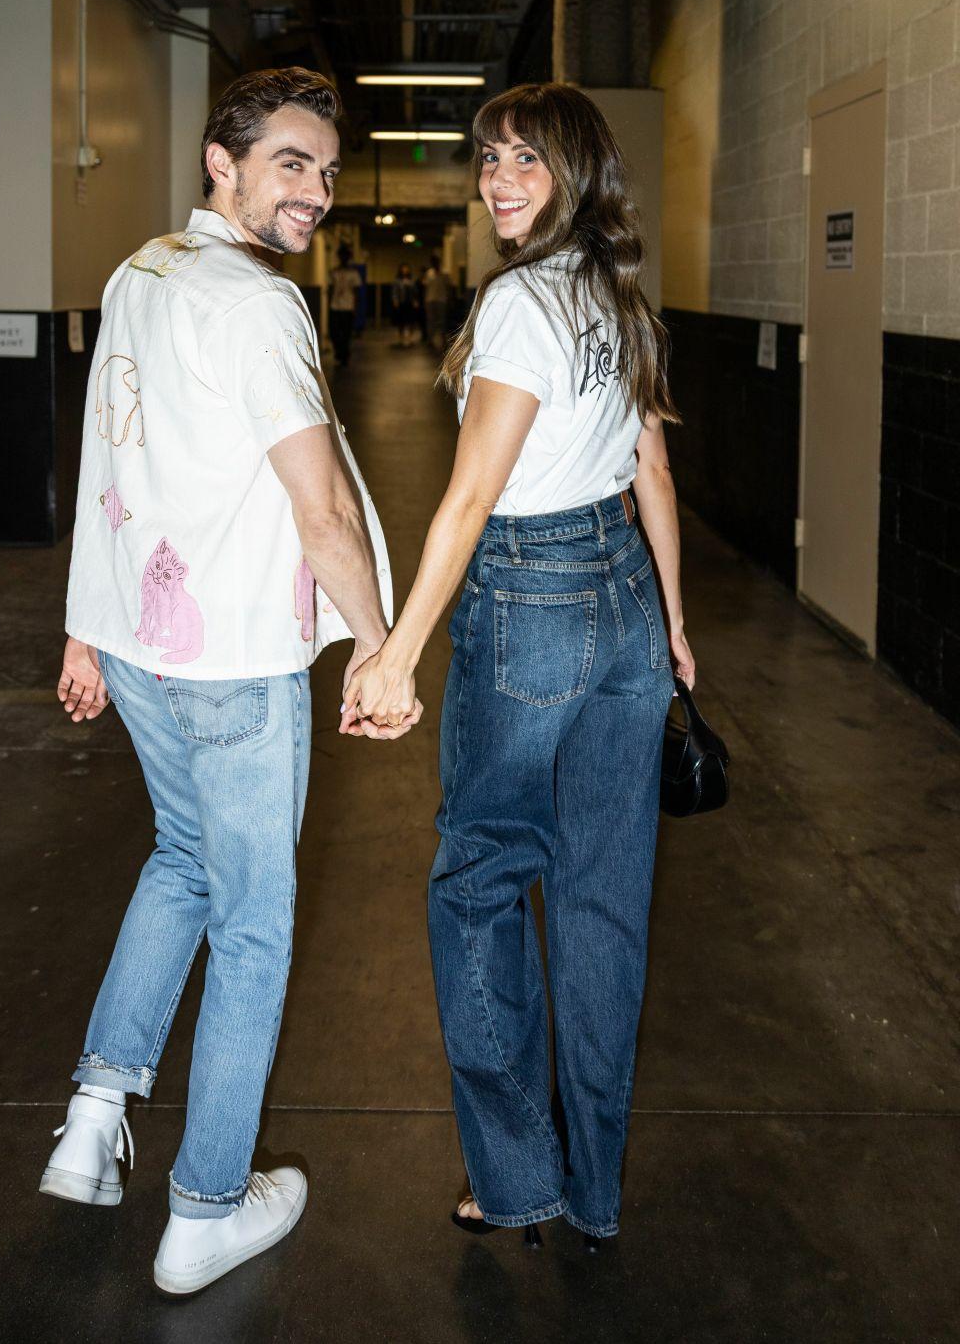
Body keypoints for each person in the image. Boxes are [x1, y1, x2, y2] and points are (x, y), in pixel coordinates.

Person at [43, 67, 417, 1297]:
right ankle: (206, 1203)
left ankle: (96, 1117)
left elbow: (110, 453)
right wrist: (382, 644)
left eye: (325, 165)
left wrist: (86, 626)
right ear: (224, 160)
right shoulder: (257, 306)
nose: (314, 187)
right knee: (254, 925)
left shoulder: (140, 272)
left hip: (144, 644)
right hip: (238, 660)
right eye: (289, 162)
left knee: (182, 860)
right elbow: (319, 509)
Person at [340, 82, 693, 1250]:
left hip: (535, 595)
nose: (497, 180)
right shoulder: (620, 298)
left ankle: (515, 1177)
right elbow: (650, 475)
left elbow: (474, 495)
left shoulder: (520, 304)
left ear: (577, 174)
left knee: (481, 877)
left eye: (525, 161)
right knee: (602, 905)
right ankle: (595, 1189)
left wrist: (396, 652)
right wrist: (673, 627)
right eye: (489, 158)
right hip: (625, 603)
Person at [328, 242, 363, 368]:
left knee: (346, 333)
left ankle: (344, 356)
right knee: (335, 333)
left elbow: (357, 292)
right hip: (335, 306)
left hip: (348, 307)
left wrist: (355, 308)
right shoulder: (334, 272)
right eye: (341, 256)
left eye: (345, 256)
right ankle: (339, 353)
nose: (343, 258)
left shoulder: (353, 273)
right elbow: (331, 289)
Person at [422, 255, 451, 351]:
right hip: (430, 299)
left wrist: (449, 299)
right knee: (430, 321)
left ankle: (443, 339)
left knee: (442, 321)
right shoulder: (429, 273)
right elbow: (425, 286)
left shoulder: (444, 272)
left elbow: (448, 286)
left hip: (441, 299)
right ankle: (430, 340)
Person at [390, 262, 417, 346]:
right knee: (400, 321)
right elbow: (395, 291)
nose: (405, 270)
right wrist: (395, 300)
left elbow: (415, 292)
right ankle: (401, 338)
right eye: (403, 269)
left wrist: (415, 300)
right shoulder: (397, 281)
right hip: (401, 302)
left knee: (410, 321)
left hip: (409, 303)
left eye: (406, 269)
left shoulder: (411, 280)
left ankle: (410, 338)